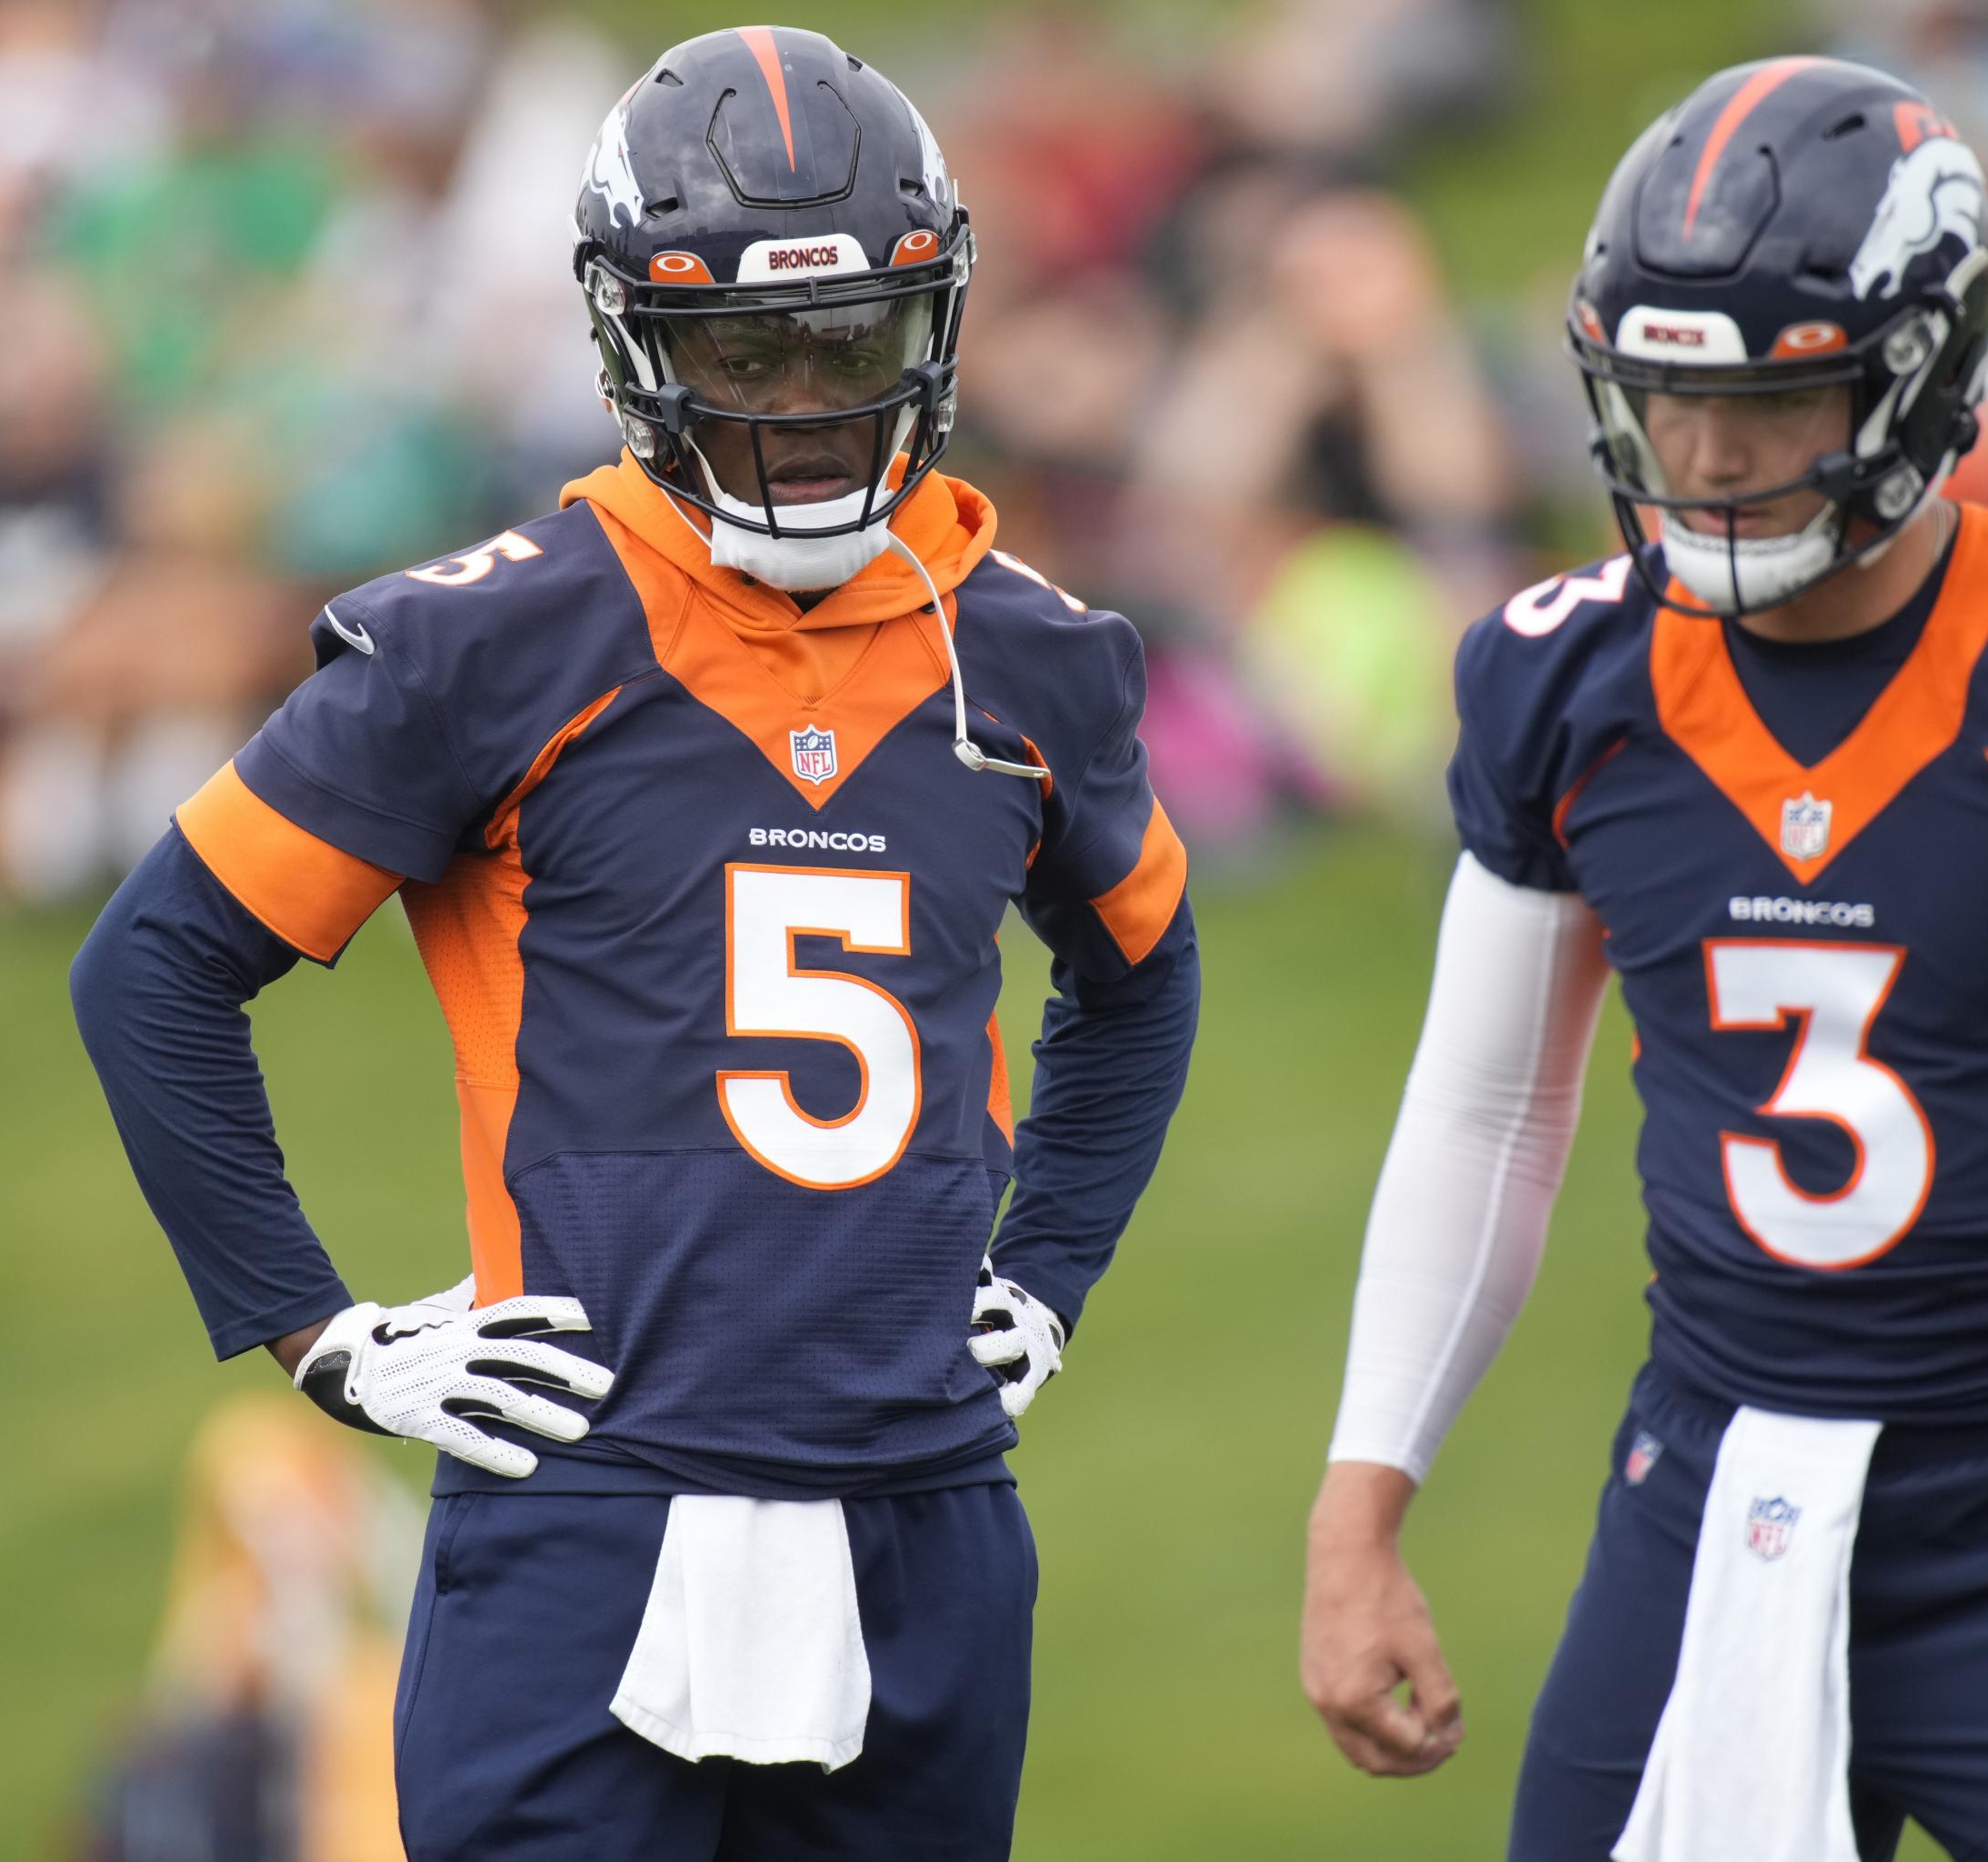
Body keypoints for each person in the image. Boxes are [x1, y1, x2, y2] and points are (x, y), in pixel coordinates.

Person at [70, 26, 1200, 1862]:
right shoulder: (491, 645)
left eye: (852, 342)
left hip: (922, 1508)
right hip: (590, 1499)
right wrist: (316, 1331)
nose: (806, 404)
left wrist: (1052, 1264)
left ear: (937, 324)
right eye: (741, 352)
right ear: (630, 347)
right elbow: (155, 965)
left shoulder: (1033, 647)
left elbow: (1143, 973)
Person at [1298, 56, 1988, 1862]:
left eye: (1770, 402)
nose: (1703, 454)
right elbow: (1484, 1110)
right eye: (1668, 396)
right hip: (1715, 1496)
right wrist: (1359, 1502)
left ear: (1922, 373)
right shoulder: (1570, 675)